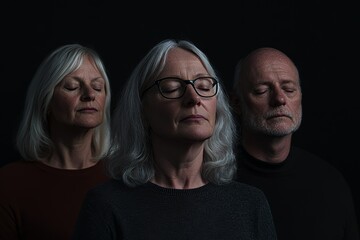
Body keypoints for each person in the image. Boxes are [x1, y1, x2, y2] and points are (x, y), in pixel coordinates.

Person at [72, 39, 277, 240]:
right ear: (142, 110)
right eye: (171, 88)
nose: (194, 98)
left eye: (204, 87)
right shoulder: (106, 205)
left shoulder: (250, 204)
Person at [231, 47, 359, 240]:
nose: (280, 99)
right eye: (262, 90)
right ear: (237, 103)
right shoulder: (215, 180)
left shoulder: (330, 184)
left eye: (289, 89)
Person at [0, 43, 112, 240]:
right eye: (72, 86)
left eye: (97, 86)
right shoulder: (10, 182)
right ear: (46, 101)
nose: (90, 95)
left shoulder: (124, 176)